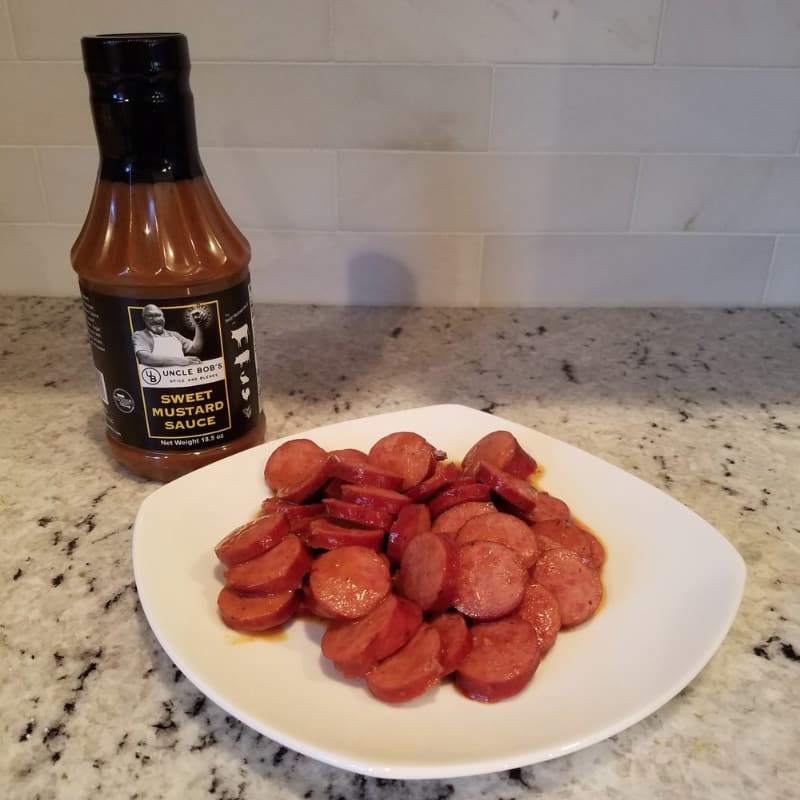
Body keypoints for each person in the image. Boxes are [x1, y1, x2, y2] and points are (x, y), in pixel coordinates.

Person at [133, 304, 204, 366]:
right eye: (150, 316)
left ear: (164, 318)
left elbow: (196, 349)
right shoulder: (140, 335)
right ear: (144, 320)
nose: (155, 320)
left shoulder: (174, 335)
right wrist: (182, 360)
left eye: (158, 315)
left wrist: (198, 326)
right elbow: (145, 358)